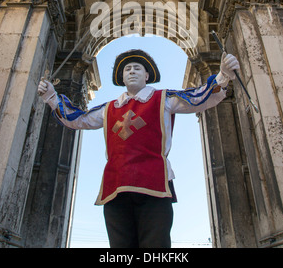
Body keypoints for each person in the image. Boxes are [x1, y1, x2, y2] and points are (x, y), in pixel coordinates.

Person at [38, 49, 239, 248]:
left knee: (155, 246)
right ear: (122, 78)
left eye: (137, 68)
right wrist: (51, 97)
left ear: (147, 75)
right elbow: (79, 119)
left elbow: (197, 98)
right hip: (115, 187)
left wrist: (222, 76)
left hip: (155, 185)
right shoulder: (108, 109)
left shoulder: (165, 99)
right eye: (127, 69)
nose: (132, 71)